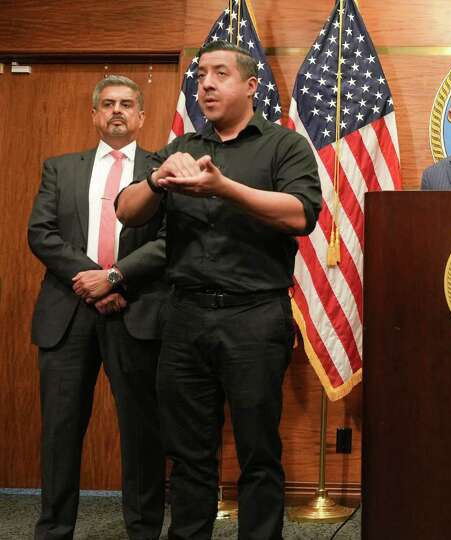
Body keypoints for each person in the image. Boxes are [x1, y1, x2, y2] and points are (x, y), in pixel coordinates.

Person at [115, 41, 322, 540]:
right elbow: (126, 210)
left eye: (220, 73)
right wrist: (157, 179)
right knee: (188, 455)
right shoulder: (182, 148)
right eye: (201, 74)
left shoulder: (284, 146)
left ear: (251, 86)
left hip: (254, 318)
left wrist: (224, 188)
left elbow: (301, 215)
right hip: (184, 318)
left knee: (257, 452)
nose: (205, 83)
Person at [28, 75, 167, 540]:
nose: (117, 111)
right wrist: (92, 280)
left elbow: (172, 241)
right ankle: (53, 530)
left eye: (127, 104)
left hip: (136, 310)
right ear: (94, 114)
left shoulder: (160, 169)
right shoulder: (60, 168)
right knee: (60, 432)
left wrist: (114, 277)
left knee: (142, 431)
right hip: (67, 313)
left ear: (141, 115)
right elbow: (42, 234)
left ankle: (144, 530)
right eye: (107, 104)